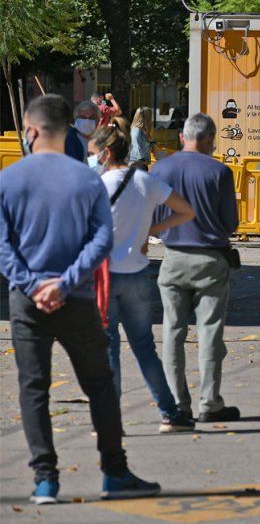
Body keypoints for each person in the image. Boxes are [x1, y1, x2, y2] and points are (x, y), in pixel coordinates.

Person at [0, 94, 160, 504]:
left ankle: (45, 481)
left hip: (26, 300)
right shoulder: (88, 179)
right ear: (68, 130)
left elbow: (3, 246)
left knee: (33, 389)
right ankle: (114, 471)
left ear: (30, 131)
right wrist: (65, 282)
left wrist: (34, 284)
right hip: (77, 298)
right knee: (100, 384)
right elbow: (100, 240)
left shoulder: (9, 180)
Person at [88, 122, 196, 433]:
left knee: (108, 349)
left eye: (94, 154)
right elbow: (186, 211)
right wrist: (151, 230)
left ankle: (109, 419)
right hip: (137, 273)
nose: (92, 159)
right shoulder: (145, 181)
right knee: (145, 348)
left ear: (106, 153)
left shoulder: (97, 186)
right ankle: (170, 414)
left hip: (105, 276)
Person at [151, 113, 240, 423]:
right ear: (211, 141)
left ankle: (177, 406)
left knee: (172, 333)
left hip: (172, 258)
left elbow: (153, 220)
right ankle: (209, 403)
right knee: (210, 333)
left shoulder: (160, 169)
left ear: (182, 137)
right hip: (210, 261)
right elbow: (230, 224)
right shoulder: (220, 172)